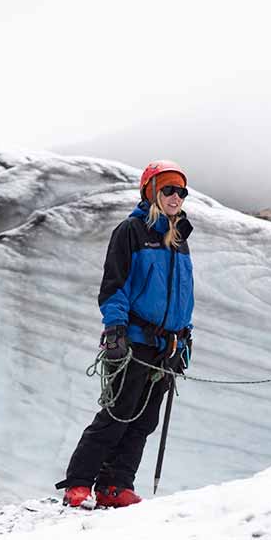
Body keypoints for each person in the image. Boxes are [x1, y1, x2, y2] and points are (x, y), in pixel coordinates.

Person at [55, 160, 194, 508]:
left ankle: (115, 485)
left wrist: (185, 336)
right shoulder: (131, 231)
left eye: (181, 191)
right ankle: (79, 482)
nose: (176, 196)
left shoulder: (179, 239)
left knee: (145, 420)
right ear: (151, 191)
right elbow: (114, 287)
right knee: (117, 414)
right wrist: (115, 331)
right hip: (134, 339)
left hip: (168, 344)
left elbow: (183, 295)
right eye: (168, 189)